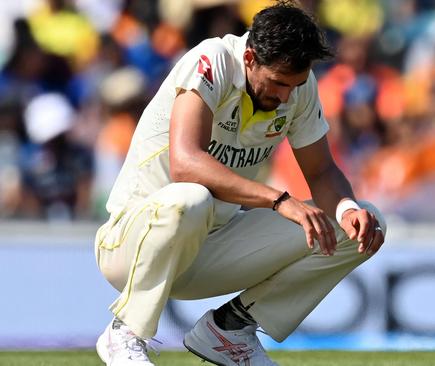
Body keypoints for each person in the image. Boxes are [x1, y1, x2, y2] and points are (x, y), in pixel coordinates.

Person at [93, 1, 386, 365]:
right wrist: (279, 200)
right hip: (131, 246)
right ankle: (127, 331)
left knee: (361, 223)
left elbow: (322, 172)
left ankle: (230, 329)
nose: (285, 97)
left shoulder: (297, 85)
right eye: (278, 83)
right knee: (191, 198)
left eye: (293, 86)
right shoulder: (212, 60)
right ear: (250, 58)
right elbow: (186, 163)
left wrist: (347, 209)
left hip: (210, 249)